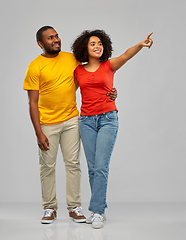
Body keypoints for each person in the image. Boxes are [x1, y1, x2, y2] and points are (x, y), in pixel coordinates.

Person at [23, 26, 117, 224]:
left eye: (56, 36)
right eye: (50, 38)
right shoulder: (34, 66)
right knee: (47, 166)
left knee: (73, 165)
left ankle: (74, 207)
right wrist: (38, 132)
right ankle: (49, 208)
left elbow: (93, 77)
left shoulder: (72, 59)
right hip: (47, 123)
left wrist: (110, 93)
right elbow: (32, 102)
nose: (56, 40)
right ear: (41, 44)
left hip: (73, 120)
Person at [71, 29, 153, 229]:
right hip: (87, 121)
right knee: (92, 169)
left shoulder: (109, 65)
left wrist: (140, 45)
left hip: (108, 119)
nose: (97, 46)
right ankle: (100, 205)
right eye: (92, 44)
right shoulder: (77, 71)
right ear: (85, 48)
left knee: (101, 167)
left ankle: (97, 211)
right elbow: (67, 92)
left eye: (99, 43)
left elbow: (126, 54)